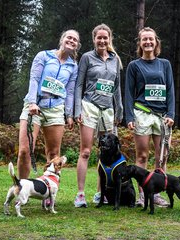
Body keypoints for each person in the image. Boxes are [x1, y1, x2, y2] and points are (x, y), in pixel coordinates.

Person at [17, 29, 80, 179]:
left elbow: (70, 92)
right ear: (62, 39)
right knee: (25, 150)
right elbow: (34, 79)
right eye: (68, 37)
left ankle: (48, 193)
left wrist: (69, 115)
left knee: (53, 154)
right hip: (35, 106)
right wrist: (32, 102)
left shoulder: (73, 66)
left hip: (56, 109)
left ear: (77, 45)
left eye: (75, 40)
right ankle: (22, 188)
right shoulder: (44, 56)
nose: (71, 41)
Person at [73, 24, 123, 208]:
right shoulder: (87, 57)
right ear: (94, 39)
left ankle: (101, 193)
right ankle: (80, 194)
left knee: (106, 152)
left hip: (108, 109)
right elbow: (79, 85)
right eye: (99, 37)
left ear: (109, 39)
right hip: (89, 106)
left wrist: (120, 109)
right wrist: (77, 109)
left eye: (105, 37)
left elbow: (116, 87)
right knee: (85, 151)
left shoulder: (115, 59)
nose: (102, 41)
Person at [124, 27, 175, 207]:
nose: (148, 42)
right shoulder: (134, 66)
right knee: (142, 156)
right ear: (139, 43)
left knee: (161, 158)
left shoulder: (165, 64)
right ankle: (142, 196)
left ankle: (157, 194)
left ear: (156, 42)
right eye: (144, 39)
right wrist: (129, 116)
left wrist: (171, 113)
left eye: (151, 39)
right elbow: (129, 93)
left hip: (162, 117)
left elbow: (170, 91)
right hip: (142, 114)